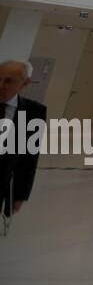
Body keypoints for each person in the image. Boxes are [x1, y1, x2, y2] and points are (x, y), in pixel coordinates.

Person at [1, 60, 46, 221]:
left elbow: (29, 157)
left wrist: (20, 194)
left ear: (25, 83)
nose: (1, 85)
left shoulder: (34, 112)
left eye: (8, 81)